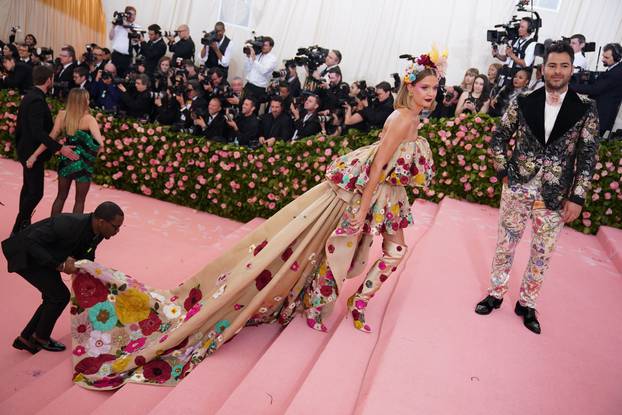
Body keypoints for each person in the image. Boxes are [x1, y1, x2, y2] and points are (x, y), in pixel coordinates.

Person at [67, 54, 435, 391]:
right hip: (362, 195)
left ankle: (357, 301)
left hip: (386, 195)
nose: (432, 94)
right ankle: (345, 301)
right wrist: (360, 210)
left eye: (435, 88)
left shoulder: (414, 117)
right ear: (410, 88)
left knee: (390, 251)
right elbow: (376, 168)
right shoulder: (402, 117)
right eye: (425, 88)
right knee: (332, 249)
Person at [475, 41, 600, 335]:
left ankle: (527, 303)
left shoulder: (586, 107)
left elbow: (587, 156)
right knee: (506, 243)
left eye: (563, 66)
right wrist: (504, 170)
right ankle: (496, 293)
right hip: (518, 184)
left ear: (572, 69)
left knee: (542, 252)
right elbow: (498, 137)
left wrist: (577, 197)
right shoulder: (523, 100)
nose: (557, 71)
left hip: (555, 194)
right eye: (552, 65)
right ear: (543, 69)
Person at [2, 201, 124, 354]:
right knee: (59, 296)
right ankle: (40, 338)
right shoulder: (68, 223)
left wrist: (93, 273)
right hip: (25, 253)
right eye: (115, 226)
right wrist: (58, 264)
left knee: (53, 296)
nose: (117, 231)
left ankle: (26, 338)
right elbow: (31, 242)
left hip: (47, 255)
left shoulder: (98, 233)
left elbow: (87, 254)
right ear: (101, 222)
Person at [11, 65, 79, 235]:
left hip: (26, 149)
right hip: (31, 152)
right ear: (49, 80)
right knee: (35, 192)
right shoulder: (36, 100)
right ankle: (20, 226)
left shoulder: (31, 96)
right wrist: (60, 148)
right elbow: (38, 132)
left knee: (28, 190)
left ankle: (21, 225)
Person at [26, 88, 104, 215]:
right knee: (79, 201)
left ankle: (51, 228)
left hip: (66, 159)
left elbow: (50, 138)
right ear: (84, 101)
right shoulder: (90, 119)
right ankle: (73, 233)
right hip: (83, 163)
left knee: (60, 197)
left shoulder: (62, 115)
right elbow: (100, 144)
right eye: (88, 99)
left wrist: (34, 155)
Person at [571, 43, 622, 135]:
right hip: (597, 115)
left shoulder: (617, 73)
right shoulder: (615, 68)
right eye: (603, 56)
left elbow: (595, 89)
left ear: (617, 58)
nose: (603, 59)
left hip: (601, 117)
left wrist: (568, 86)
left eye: (606, 58)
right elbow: (600, 77)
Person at [243, 37, 277, 105]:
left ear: (271, 47)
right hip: (248, 85)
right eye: (263, 45)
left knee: (253, 110)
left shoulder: (272, 59)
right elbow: (248, 68)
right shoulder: (257, 54)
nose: (263, 47)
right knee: (242, 105)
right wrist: (248, 55)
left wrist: (254, 59)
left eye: (265, 45)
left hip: (258, 89)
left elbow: (264, 71)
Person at [109, 6, 137, 77]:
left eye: (134, 14)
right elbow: (111, 37)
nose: (132, 16)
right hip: (116, 55)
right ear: (126, 14)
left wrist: (125, 24)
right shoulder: (118, 26)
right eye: (130, 14)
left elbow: (134, 36)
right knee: (112, 75)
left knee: (123, 76)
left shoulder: (136, 26)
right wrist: (113, 26)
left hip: (126, 57)